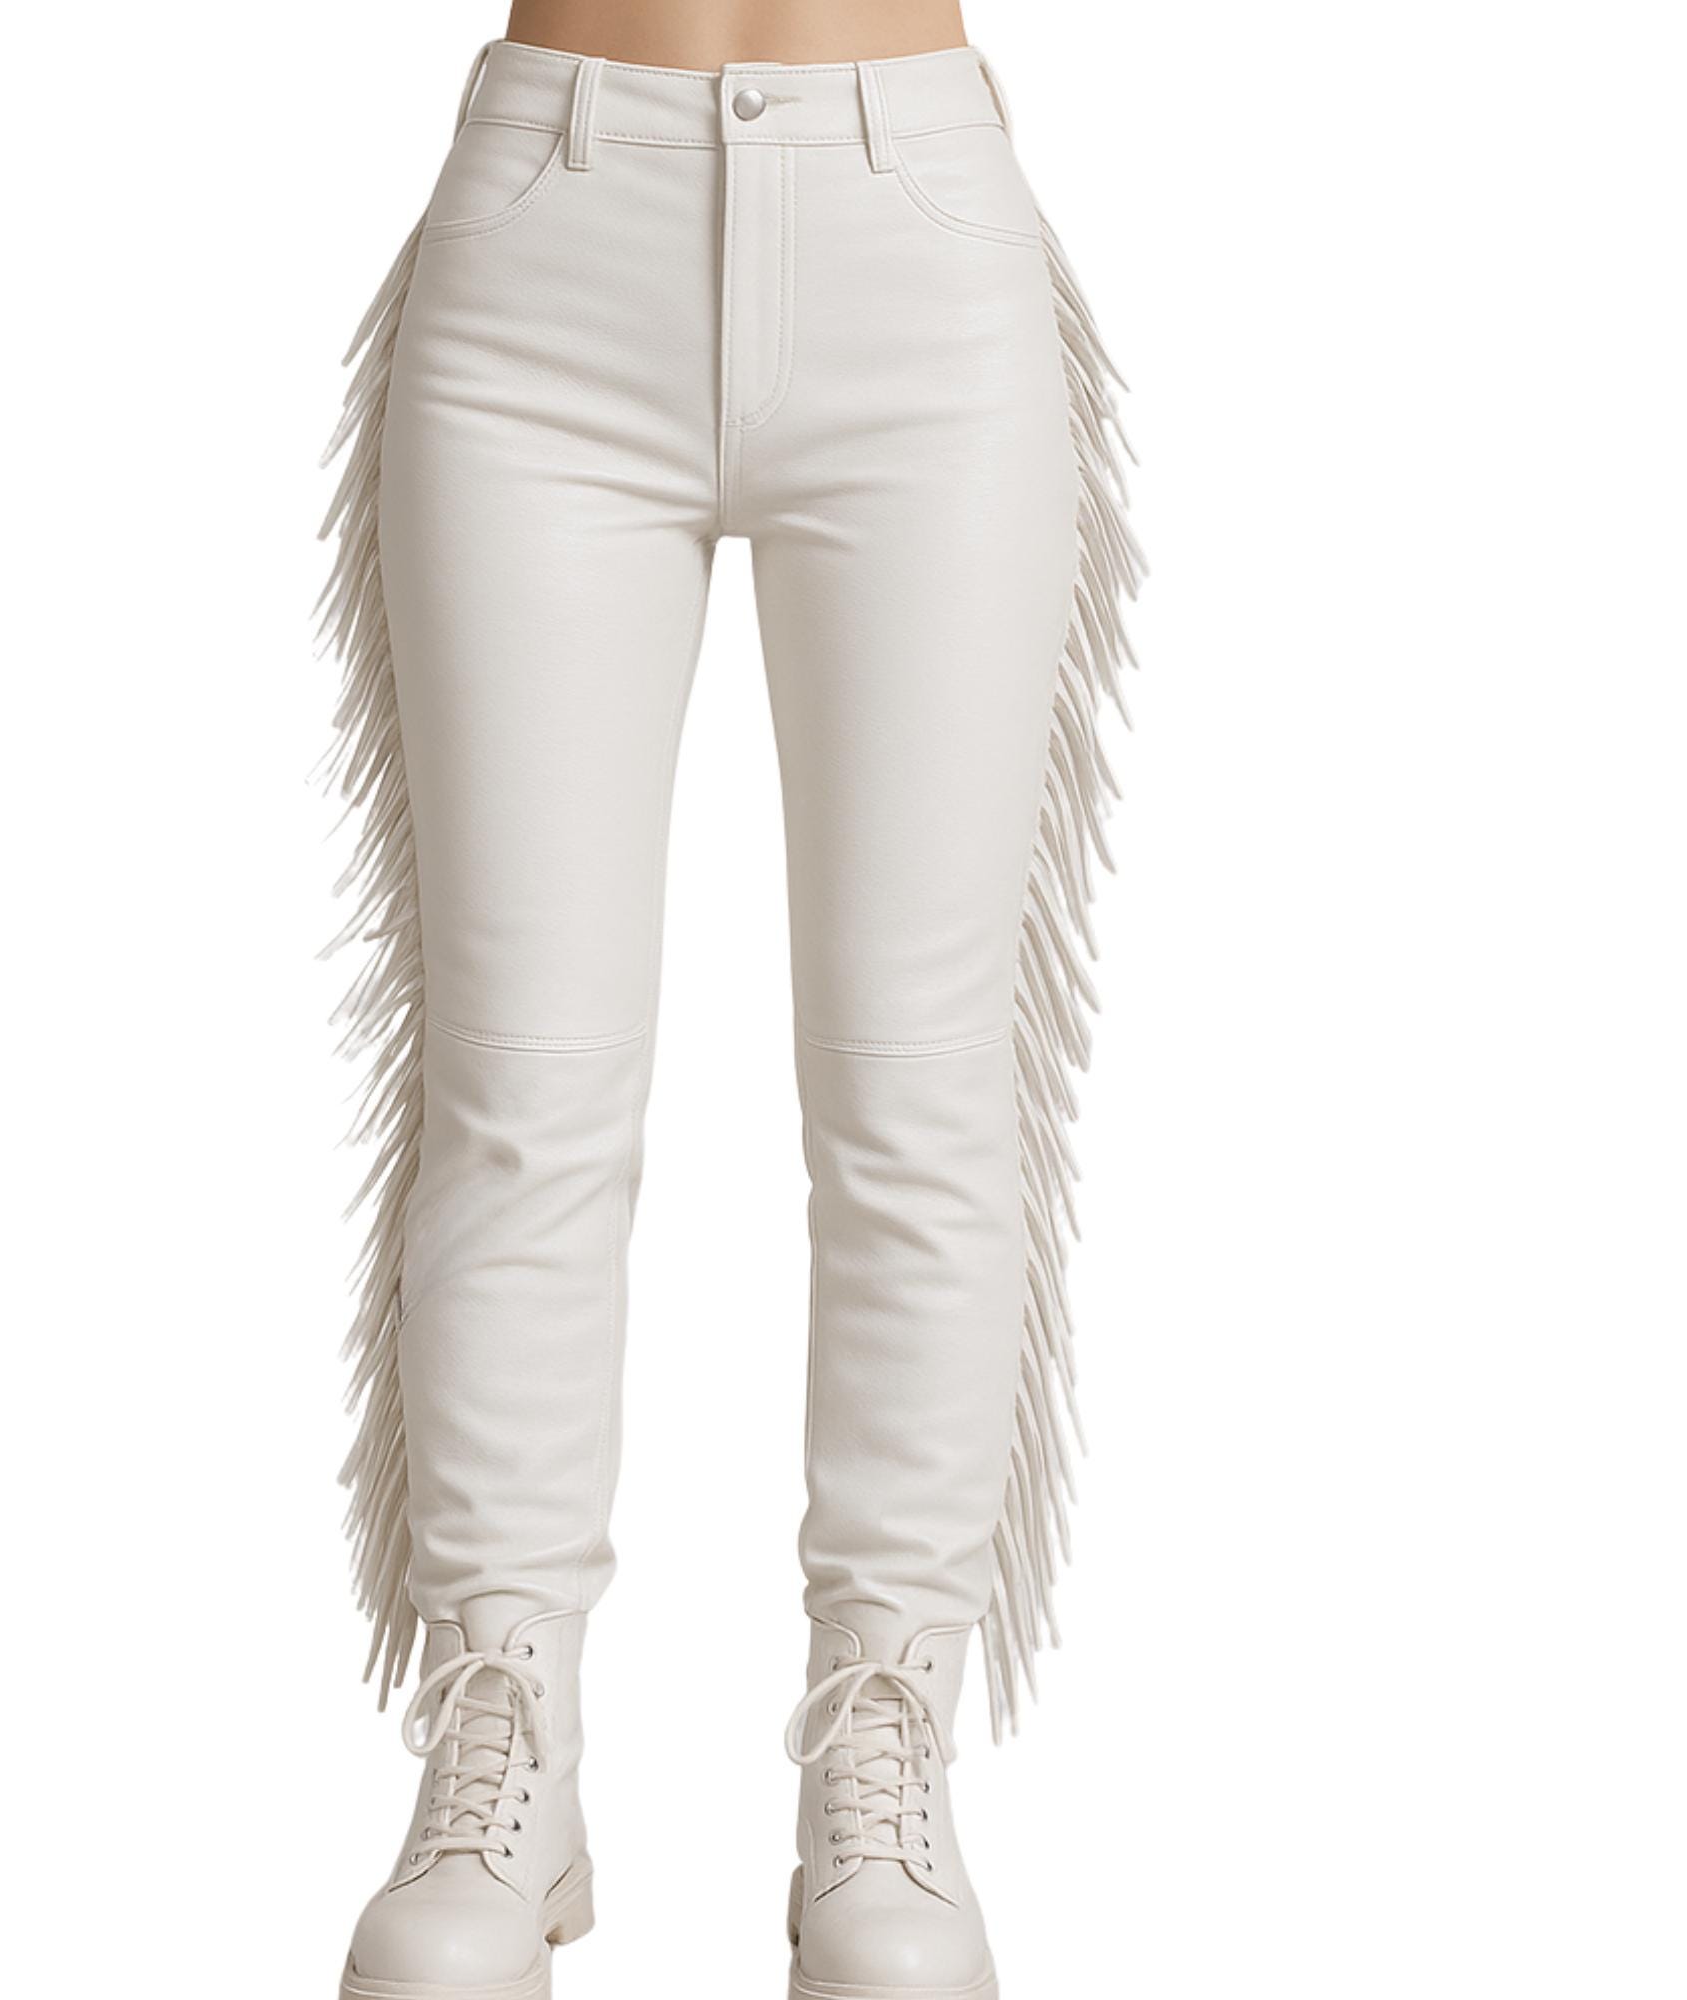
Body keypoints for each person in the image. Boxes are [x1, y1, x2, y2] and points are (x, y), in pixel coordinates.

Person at [318, 4, 1141, 1994]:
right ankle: (503, 1735)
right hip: (548, 241)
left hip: (911, 243)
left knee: (917, 1088)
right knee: (520, 1086)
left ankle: (884, 1747)